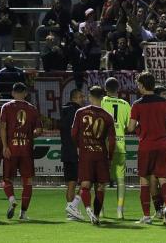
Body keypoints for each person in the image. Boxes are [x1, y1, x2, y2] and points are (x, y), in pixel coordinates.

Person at [127, 72, 166, 225]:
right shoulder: (165, 103)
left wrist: (136, 127)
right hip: (163, 145)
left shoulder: (137, 105)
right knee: (164, 178)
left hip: (146, 146)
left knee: (144, 181)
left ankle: (147, 216)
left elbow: (130, 128)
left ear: (142, 85)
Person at [69, 86, 116, 225]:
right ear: (102, 98)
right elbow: (112, 141)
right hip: (101, 154)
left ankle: (88, 208)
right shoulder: (108, 116)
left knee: (85, 184)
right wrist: (110, 157)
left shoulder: (80, 112)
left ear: (90, 96)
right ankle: (96, 215)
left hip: (86, 153)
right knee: (101, 186)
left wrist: (79, 147)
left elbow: (73, 134)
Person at [0, 82, 42, 221]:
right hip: (26, 149)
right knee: (27, 181)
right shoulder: (32, 109)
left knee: (7, 179)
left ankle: (12, 199)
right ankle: (23, 214)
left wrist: (5, 146)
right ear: (25, 94)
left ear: (12, 93)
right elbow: (38, 130)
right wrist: (33, 134)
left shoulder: (6, 107)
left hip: (11, 147)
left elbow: (3, 127)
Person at [100, 77, 131, 220]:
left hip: (103, 145)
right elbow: (130, 127)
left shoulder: (102, 102)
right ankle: (120, 211)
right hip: (120, 144)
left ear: (105, 89)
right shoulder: (125, 104)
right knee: (121, 181)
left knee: (101, 180)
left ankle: (100, 210)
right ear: (118, 89)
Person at [61, 89, 85, 221]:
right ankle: (73, 207)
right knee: (86, 181)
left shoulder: (63, 111)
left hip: (66, 150)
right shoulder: (79, 112)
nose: (84, 99)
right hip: (77, 151)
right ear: (75, 98)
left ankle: (70, 211)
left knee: (71, 182)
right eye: (81, 97)